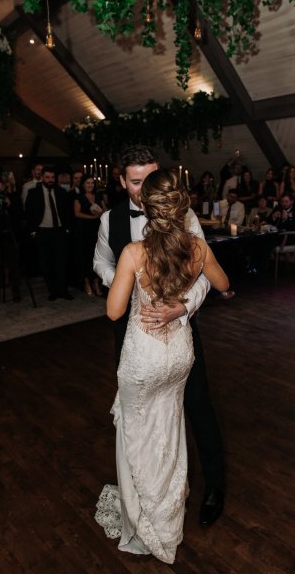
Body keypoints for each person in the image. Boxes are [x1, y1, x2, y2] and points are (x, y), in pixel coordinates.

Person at [95, 169, 229, 564]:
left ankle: (142, 522)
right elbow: (222, 283)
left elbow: (114, 311)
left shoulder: (134, 253)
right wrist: (184, 301)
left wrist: (137, 288)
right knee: (169, 432)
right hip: (179, 357)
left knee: (136, 435)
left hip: (144, 356)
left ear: (146, 205)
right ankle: (168, 515)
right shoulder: (198, 248)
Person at [25, 167, 73, 300]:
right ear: (42, 178)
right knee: (47, 263)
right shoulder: (33, 192)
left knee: (61, 263)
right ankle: (52, 291)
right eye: (47, 177)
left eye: (52, 177)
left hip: (60, 232)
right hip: (42, 232)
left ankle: (63, 290)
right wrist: (33, 232)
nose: (50, 180)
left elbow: (68, 211)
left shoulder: (61, 192)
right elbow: (28, 214)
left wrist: (67, 229)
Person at [73, 174, 106, 296]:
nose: (90, 185)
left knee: (97, 257)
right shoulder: (79, 197)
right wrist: (92, 217)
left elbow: (105, 210)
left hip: (97, 230)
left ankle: (96, 283)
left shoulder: (98, 195)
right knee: (86, 257)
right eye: (88, 183)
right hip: (84, 230)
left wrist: (100, 213)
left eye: (92, 183)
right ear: (83, 184)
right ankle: (87, 283)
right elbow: (77, 214)